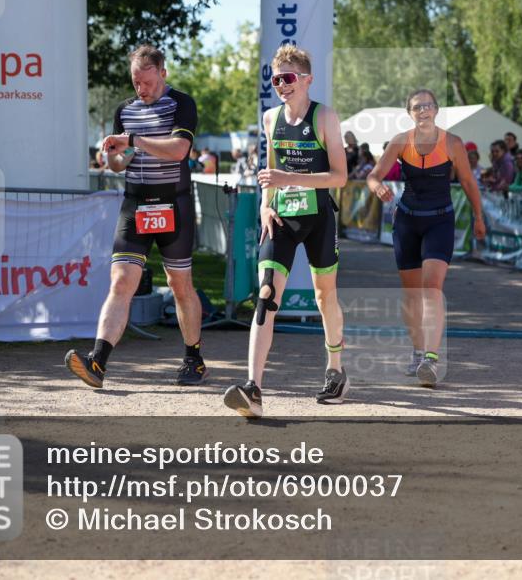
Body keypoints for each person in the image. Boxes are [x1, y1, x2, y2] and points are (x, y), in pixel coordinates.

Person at [65, 44, 207, 389]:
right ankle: (97, 362)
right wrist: (116, 155)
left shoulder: (181, 104)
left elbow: (178, 151)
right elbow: (117, 164)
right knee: (121, 282)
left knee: (179, 285)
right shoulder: (125, 110)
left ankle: (194, 358)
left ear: (163, 73)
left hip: (174, 203)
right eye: (135, 82)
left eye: (147, 82)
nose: (140, 90)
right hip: (135, 204)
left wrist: (133, 140)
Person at [223, 45, 348, 418]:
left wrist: (286, 178)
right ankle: (253, 388)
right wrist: (265, 202)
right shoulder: (270, 118)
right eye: (276, 79)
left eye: (289, 78)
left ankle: (336, 370)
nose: (281, 85)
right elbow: (270, 168)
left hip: (319, 217)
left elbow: (339, 177)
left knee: (325, 297)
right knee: (266, 296)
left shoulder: (325, 117)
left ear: (307, 80)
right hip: (281, 218)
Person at [366, 89, 486, 385]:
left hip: (440, 221)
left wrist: (479, 217)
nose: (424, 111)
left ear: (436, 110)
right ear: (409, 112)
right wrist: (377, 188)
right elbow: (373, 176)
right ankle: (418, 352)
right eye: (418, 107)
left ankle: (431, 360)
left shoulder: (452, 143)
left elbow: (469, 182)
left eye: (429, 106)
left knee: (432, 287)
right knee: (412, 294)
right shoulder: (400, 142)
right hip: (407, 221)